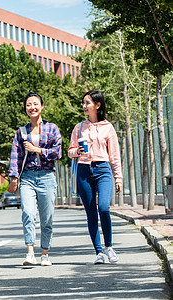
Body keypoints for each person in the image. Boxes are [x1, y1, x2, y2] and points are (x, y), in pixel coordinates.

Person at [7, 92, 62, 267]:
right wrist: (14, 178)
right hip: (28, 177)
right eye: (29, 105)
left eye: (35, 104)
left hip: (47, 176)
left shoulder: (52, 128)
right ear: (25, 108)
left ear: (42, 106)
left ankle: (44, 253)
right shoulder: (21, 132)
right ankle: (30, 253)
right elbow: (15, 156)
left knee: (47, 218)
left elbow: (57, 152)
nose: (32, 107)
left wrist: (38, 150)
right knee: (28, 213)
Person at [68, 90, 123, 264]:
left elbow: (114, 155)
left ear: (97, 105)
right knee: (91, 213)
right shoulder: (79, 127)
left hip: (103, 170)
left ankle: (109, 247)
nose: (84, 106)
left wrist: (118, 178)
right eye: (83, 103)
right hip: (84, 171)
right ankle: (98, 252)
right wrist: (76, 151)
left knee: (104, 208)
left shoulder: (108, 127)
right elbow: (70, 152)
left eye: (87, 103)